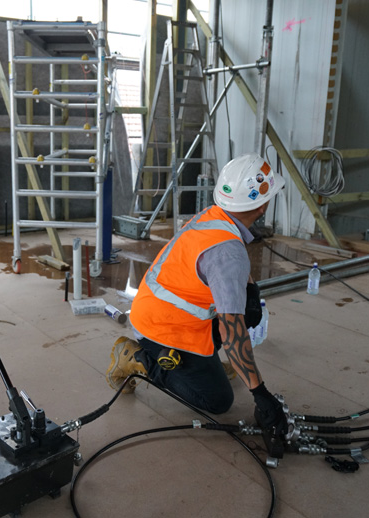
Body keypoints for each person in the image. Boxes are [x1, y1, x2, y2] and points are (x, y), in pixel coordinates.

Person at [107, 153, 288, 438]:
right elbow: (233, 333)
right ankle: (139, 359)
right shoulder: (228, 252)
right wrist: (260, 392)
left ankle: (202, 363)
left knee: (242, 314)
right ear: (262, 205)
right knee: (218, 400)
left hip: (158, 310)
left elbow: (225, 271)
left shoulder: (214, 217)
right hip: (160, 328)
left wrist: (251, 291)